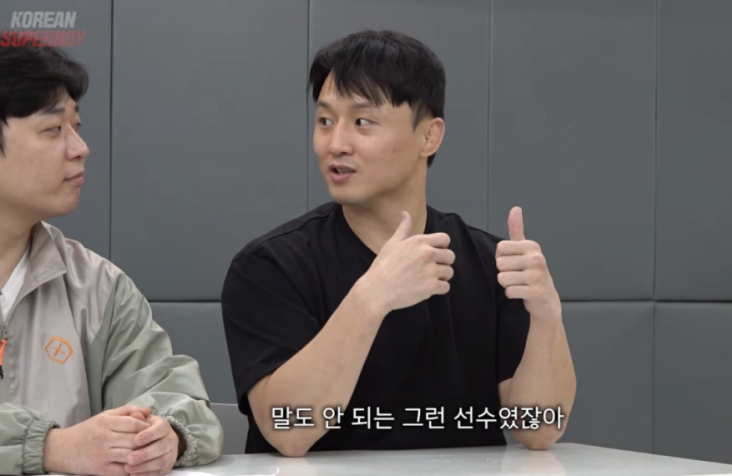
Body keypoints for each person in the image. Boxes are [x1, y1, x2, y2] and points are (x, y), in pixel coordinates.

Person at [221, 30, 576, 457]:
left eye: (362, 122)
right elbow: (290, 428)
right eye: (325, 121)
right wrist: (372, 297)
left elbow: (538, 428)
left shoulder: (490, 263)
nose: (336, 144)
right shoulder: (270, 266)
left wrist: (547, 314)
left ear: (429, 136)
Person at [0, 45, 223, 475]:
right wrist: (48, 447)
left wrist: (165, 434)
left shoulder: (97, 286)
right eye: (53, 130)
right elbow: (57, 448)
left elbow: (179, 399)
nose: (80, 148)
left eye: (76, 127)